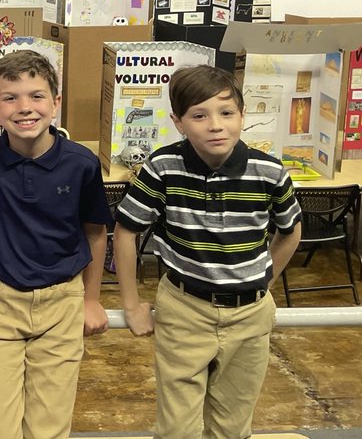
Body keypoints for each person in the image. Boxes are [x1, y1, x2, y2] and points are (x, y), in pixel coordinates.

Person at [113, 64, 303, 439]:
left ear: (242, 116)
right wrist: (132, 303)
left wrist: (263, 280)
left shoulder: (269, 172)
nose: (215, 125)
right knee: (177, 430)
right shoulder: (163, 167)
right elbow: (124, 233)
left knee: (232, 427)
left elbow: (290, 231)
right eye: (199, 115)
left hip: (250, 315)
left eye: (226, 113)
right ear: (179, 122)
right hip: (184, 310)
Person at [0, 51, 111, 439]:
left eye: (37, 96)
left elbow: (95, 231)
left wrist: (91, 299)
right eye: (10, 97)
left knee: (48, 428)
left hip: (61, 301)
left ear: (56, 103)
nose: (25, 108)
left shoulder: (81, 163)